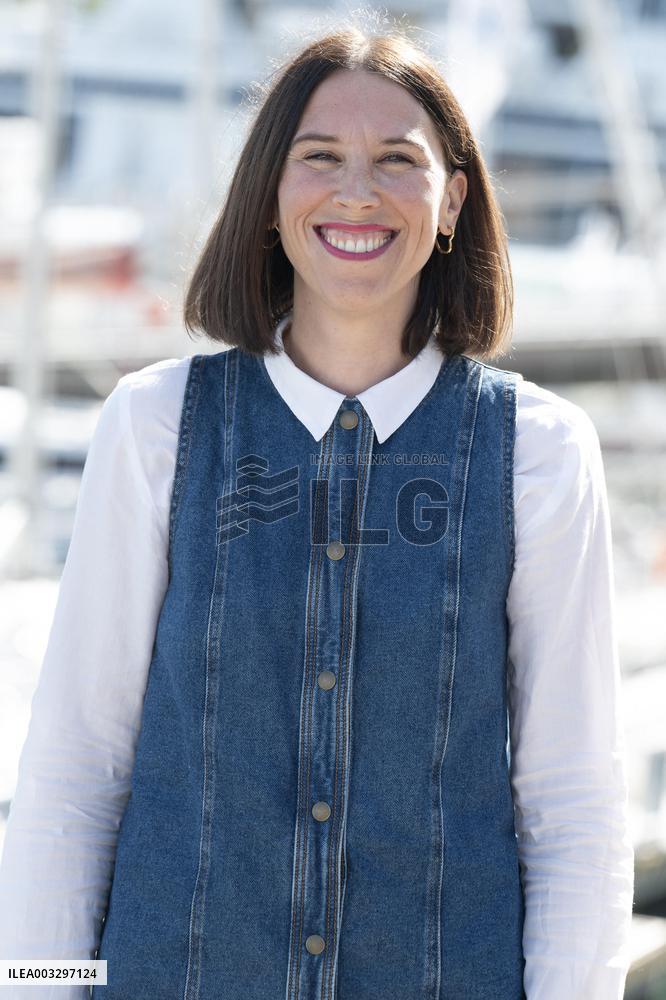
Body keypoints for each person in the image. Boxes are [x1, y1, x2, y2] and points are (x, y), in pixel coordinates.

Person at [0, 22, 634, 1000]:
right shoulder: (155, 426)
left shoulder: (540, 455)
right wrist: (39, 988)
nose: (356, 190)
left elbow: (573, 802)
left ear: (453, 200)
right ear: (268, 198)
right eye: (320, 157)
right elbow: (75, 772)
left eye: (398, 160)